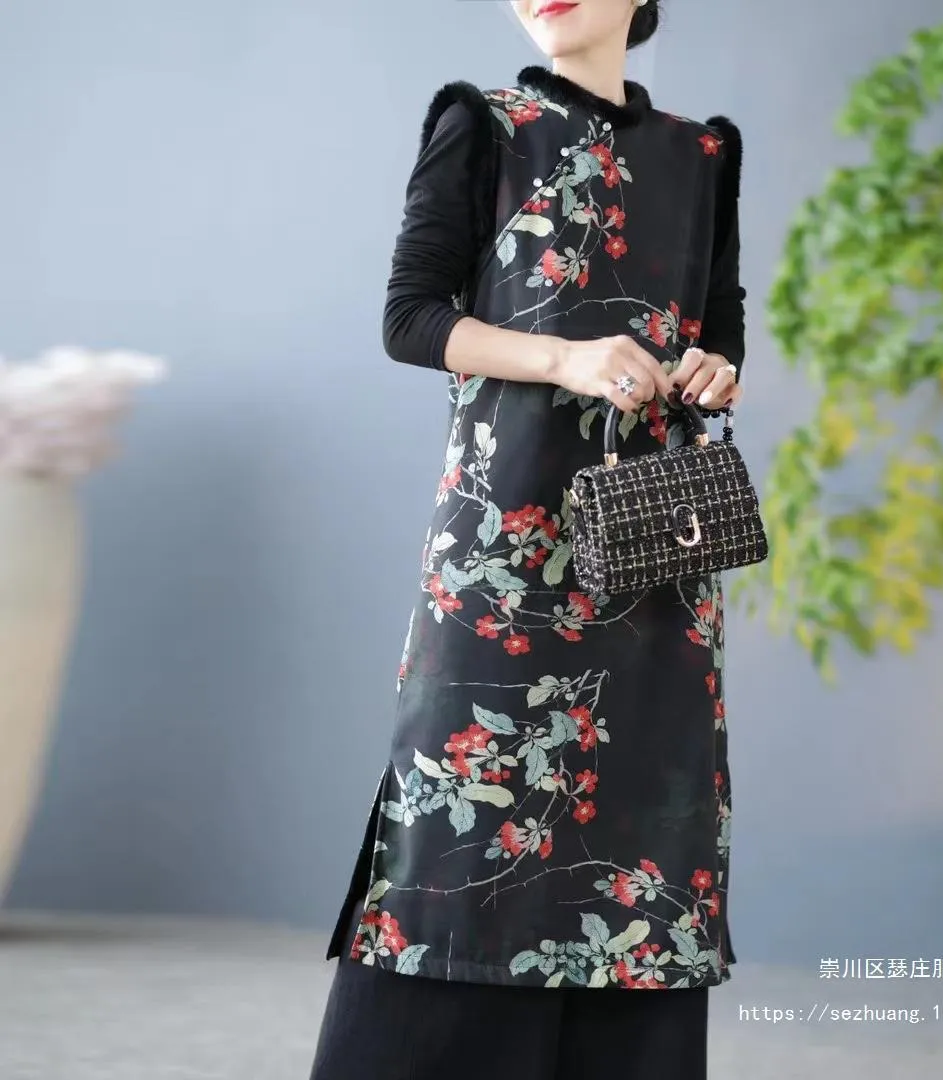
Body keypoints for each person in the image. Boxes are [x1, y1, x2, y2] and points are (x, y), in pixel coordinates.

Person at [308, 1, 746, 1077]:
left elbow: (718, 323)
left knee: (645, 833)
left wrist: (712, 367)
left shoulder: (704, 154)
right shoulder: (483, 122)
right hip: (504, 555)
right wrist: (567, 357)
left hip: (651, 554)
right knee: (466, 817)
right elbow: (411, 317)